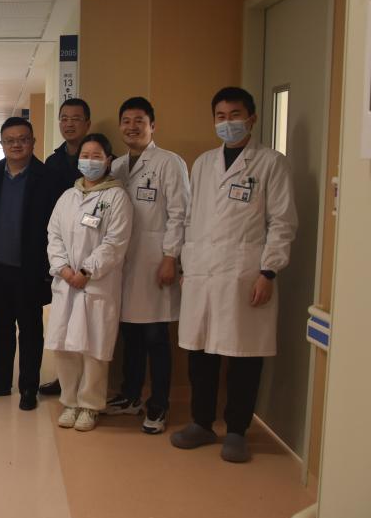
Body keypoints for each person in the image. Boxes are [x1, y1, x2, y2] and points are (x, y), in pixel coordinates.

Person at [171, 87, 297, 463]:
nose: (228, 123)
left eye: (235, 115)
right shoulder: (203, 163)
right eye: (221, 116)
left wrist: (268, 272)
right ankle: (201, 423)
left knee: (244, 356)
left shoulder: (271, 163)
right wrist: (185, 264)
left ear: (252, 118)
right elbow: (191, 218)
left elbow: (283, 222)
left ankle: (238, 430)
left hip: (245, 274)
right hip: (202, 272)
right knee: (200, 353)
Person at [102, 98, 190, 435]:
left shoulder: (169, 162)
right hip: (123, 263)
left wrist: (170, 257)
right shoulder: (116, 166)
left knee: (156, 337)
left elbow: (181, 214)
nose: (132, 127)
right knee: (130, 335)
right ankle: (131, 395)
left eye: (139, 121)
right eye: (126, 121)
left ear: (153, 125)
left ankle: (159, 403)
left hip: (155, 261)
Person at [46, 133, 133, 432]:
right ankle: (70, 401)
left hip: (96, 284)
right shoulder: (67, 197)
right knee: (65, 345)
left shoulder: (117, 198)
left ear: (108, 161)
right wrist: (63, 268)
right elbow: (53, 235)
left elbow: (115, 242)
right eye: (85, 155)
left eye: (97, 156)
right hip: (66, 282)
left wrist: (86, 270)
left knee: (94, 347)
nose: (90, 161)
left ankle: (90, 405)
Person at [0, 117, 60, 411]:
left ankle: (28, 387)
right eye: (10, 140)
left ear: (33, 142)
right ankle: (0, 381)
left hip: (30, 271)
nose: (16, 145)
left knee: (31, 331)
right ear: (2, 144)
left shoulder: (48, 178)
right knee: (1, 329)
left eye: (23, 139)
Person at [40, 97, 92, 396]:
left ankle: (89, 387)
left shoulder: (100, 158)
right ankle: (66, 381)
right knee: (63, 323)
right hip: (62, 253)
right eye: (64, 118)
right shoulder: (53, 162)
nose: (69, 124)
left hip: (91, 254)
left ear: (87, 123)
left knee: (91, 327)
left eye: (76, 118)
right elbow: (50, 213)